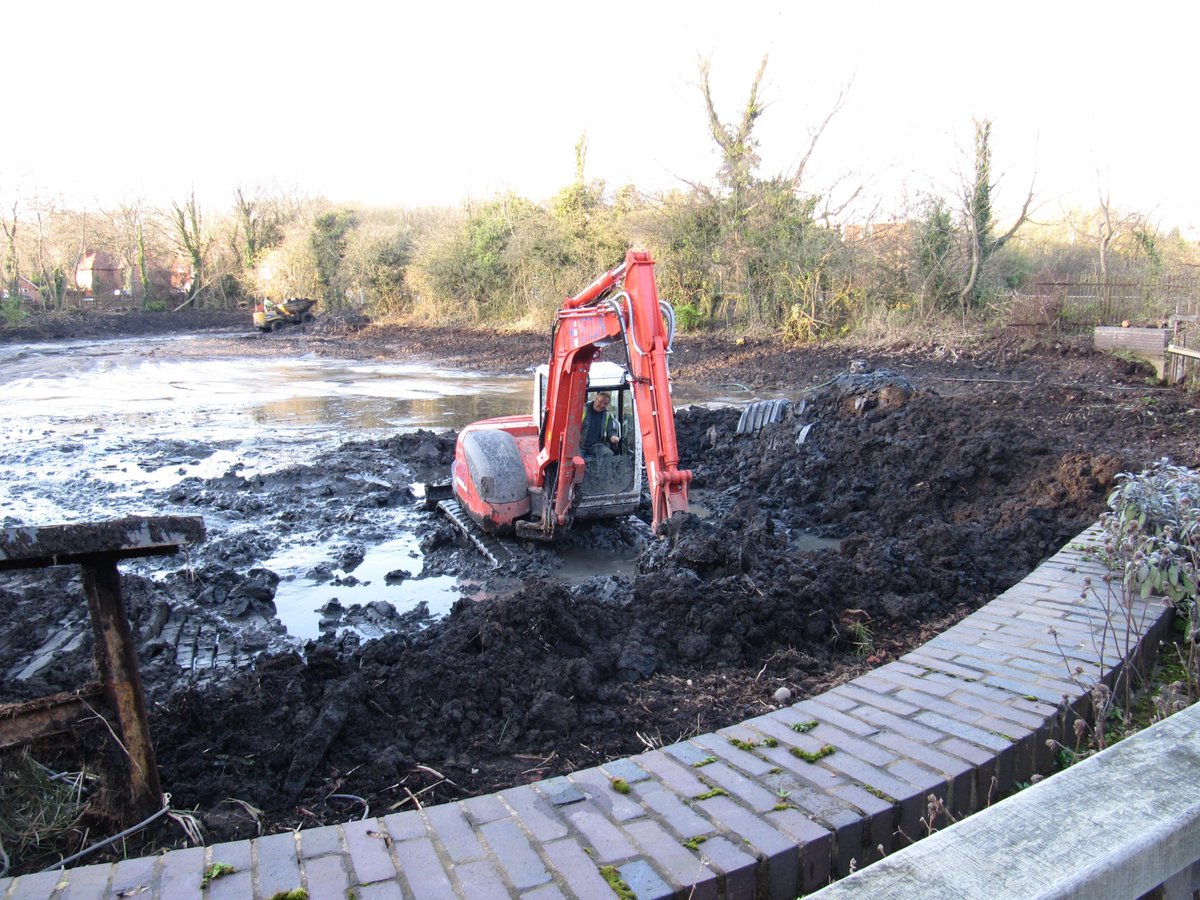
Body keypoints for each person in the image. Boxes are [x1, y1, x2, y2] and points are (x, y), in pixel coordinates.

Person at [581, 391, 620, 456]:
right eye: (600, 401)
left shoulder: (607, 415)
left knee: (609, 454)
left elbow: (611, 429)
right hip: (580, 445)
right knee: (574, 459)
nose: (602, 405)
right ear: (595, 399)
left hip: (596, 445)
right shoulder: (582, 409)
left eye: (605, 403)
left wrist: (613, 436)